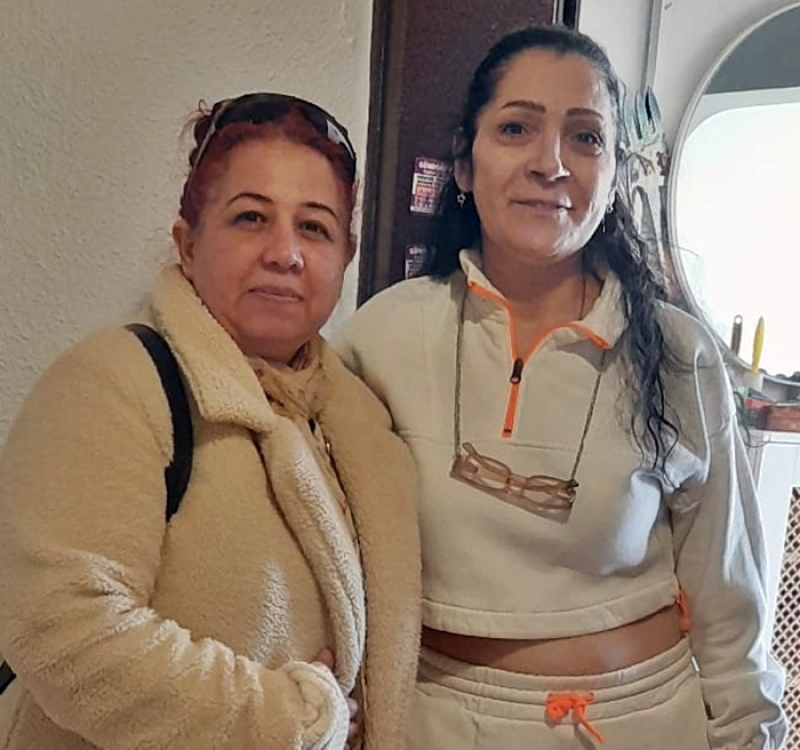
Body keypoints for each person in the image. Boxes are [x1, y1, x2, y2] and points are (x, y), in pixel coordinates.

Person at [333, 25, 787, 750]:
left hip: (642, 725)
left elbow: (730, 601)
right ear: (464, 163)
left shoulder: (678, 354)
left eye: (585, 137)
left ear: (614, 173)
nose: (551, 164)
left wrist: (750, 737)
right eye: (516, 128)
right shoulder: (378, 339)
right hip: (433, 724)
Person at [0, 92, 420, 750]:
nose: (285, 253)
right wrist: (299, 719)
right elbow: (64, 632)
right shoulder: (114, 383)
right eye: (251, 218)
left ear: (346, 256)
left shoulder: (362, 425)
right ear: (189, 244)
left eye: (315, 227)